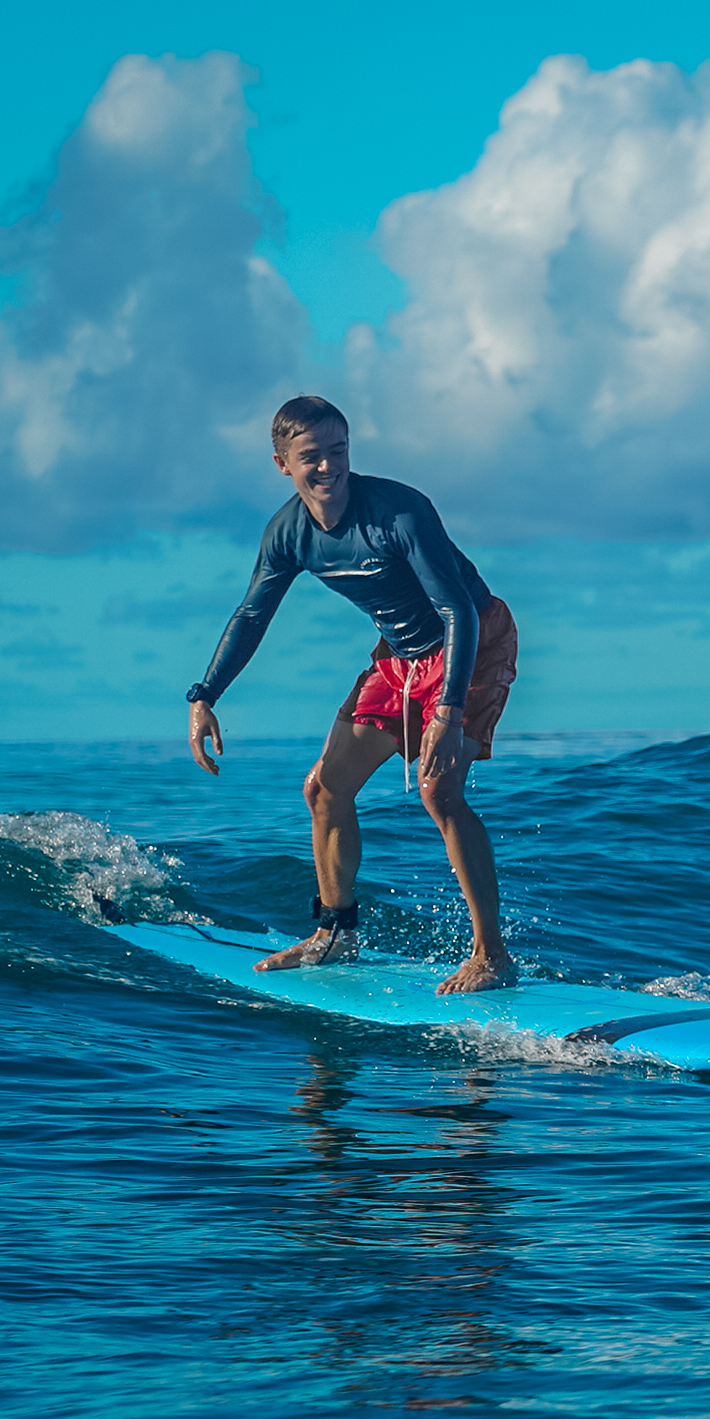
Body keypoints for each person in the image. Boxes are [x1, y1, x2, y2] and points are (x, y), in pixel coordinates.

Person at [185, 396, 520, 995]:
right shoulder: (289, 533)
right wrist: (204, 694)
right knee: (324, 788)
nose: (327, 467)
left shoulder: (398, 511)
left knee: (439, 790)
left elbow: (457, 610)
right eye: (310, 456)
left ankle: (491, 955)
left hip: (472, 639)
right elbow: (253, 613)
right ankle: (335, 935)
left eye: (337, 451)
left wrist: (447, 710)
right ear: (281, 464)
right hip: (399, 658)